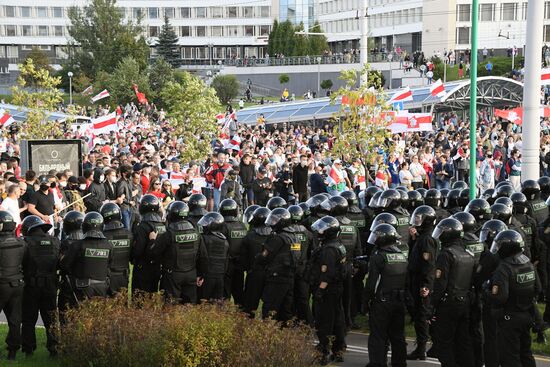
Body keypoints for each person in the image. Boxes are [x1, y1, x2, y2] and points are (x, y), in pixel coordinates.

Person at [489, 230, 538, 367]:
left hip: (509, 317)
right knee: (526, 353)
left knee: (509, 356)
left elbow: (500, 297)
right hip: (527, 313)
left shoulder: (504, 268)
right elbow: (538, 289)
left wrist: (488, 294)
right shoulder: (528, 263)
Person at [431, 218, 475, 367]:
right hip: (465, 301)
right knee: (463, 340)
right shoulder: (467, 253)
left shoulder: (446, 254)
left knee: (444, 341)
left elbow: (440, 283)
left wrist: (432, 305)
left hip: (448, 303)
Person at [364, 223, 408, 367]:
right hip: (399, 300)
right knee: (397, 335)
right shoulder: (401, 255)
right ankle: (399, 363)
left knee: (378, 334)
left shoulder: (378, 256)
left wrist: (366, 301)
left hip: (382, 301)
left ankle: (377, 363)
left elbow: (372, 283)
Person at [150, 201, 208, 304]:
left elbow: (154, 253)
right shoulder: (196, 233)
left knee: (171, 308)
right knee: (189, 307)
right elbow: (203, 256)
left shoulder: (168, 234)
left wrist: (153, 240)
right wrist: (201, 274)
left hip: (172, 275)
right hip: (191, 274)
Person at [20, 215, 60, 357]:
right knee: (51, 319)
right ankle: (54, 348)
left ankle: (29, 350)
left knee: (29, 319)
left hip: (31, 286)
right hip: (50, 286)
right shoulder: (55, 241)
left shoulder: (25, 242)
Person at [310, 216, 347, 365]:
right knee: (337, 320)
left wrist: (320, 290)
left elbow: (327, 273)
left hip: (327, 290)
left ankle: (322, 353)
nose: (320, 231)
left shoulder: (329, 250)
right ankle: (339, 350)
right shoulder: (338, 245)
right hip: (337, 289)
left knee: (324, 321)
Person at [407, 205, 438, 360]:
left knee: (423, 316)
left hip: (422, 282)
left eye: (420, 218)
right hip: (416, 280)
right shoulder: (422, 237)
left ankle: (421, 349)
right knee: (419, 314)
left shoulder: (427, 239)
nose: (417, 221)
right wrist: (413, 238)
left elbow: (428, 265)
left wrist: (425, 286)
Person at [59, 212, 114, 301]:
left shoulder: (77, 245)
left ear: (84, 226)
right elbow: (110, 265)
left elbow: (64, 265)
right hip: (102, 287)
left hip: (83, 288)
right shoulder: (108, 245)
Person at [259, 208, 297, 322]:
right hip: (289, 276)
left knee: (270, 307)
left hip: (276, 277)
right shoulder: (294, 236)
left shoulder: (277, 238)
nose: (272, 222)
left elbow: (264, 256)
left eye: (275, 220)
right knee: (285, 309)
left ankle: (268, 334)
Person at [0, 211, 26, 360]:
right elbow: (27, 263)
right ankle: (13, 352)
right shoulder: (22, 242)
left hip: (2, 284)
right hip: (17, 285)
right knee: (15, 320)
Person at [131, 194, 165, 293]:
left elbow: (138, 251)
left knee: (140, 300)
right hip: (158, 266)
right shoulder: (162, 225)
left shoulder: (142, 226)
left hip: (143, 268)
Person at [242, 207, 271, 318]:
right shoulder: (275, 235)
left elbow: (243, 258)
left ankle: (248, 325)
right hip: (270, 274)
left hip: (254, 273)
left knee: (250, 304)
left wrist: (248, 268)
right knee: (269, 304)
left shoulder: (249, 237)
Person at [287, 204, 314, 325]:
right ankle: (308, 323)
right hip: (304, 268)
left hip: (290, 268)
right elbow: (313, 252)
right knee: (303, 298)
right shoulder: (308, 233)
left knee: (290, 296)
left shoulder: (287, 233)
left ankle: (292, 320)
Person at [219, 198, 247, 306]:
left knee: (225, 293)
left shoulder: (222, 226)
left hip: (226, 264)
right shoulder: (242, 225)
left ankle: (225, 317)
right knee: (239, 292)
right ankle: (241, 316)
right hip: (239, 264)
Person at [101, 203, 133, 295]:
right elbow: (133, 256)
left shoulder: (103, 236)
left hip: (107, 277)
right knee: (122, 305)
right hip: (124, 276)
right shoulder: (129, 234)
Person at [198, 212, 229, 301]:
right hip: (220, 277)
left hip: (207, 276)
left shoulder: (204, 239)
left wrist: (200, 275)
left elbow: (202, 258)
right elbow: (226, 262)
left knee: (203, 304)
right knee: (217, 305)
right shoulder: (225, 241)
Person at [116, 165, 133, 230]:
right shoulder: (121, 182)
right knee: (126, 228)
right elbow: (120, 196)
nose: (130, 173)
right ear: (124, 173)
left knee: (129, 227)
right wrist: (129, 201)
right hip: (123, 208)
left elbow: (129, 194)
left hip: (129, 207)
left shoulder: (128, 181)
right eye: (129, 172)